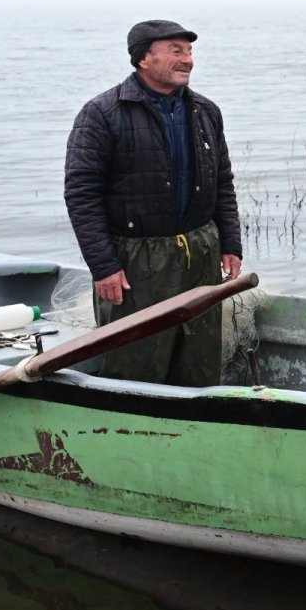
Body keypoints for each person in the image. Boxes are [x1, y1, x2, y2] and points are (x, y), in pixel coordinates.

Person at [64, 19, 244, 385]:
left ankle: (194, 419)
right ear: (143, 59)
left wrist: (230, 243)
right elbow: (82, 194)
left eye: (189, 51)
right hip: (136, 262)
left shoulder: (206, 111)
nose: (188, 59)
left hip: (200, 252)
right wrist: (103, 267)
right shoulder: (102, 114)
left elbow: (222, 182)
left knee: (200, 363)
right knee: (136, 365)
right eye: (176, 51)